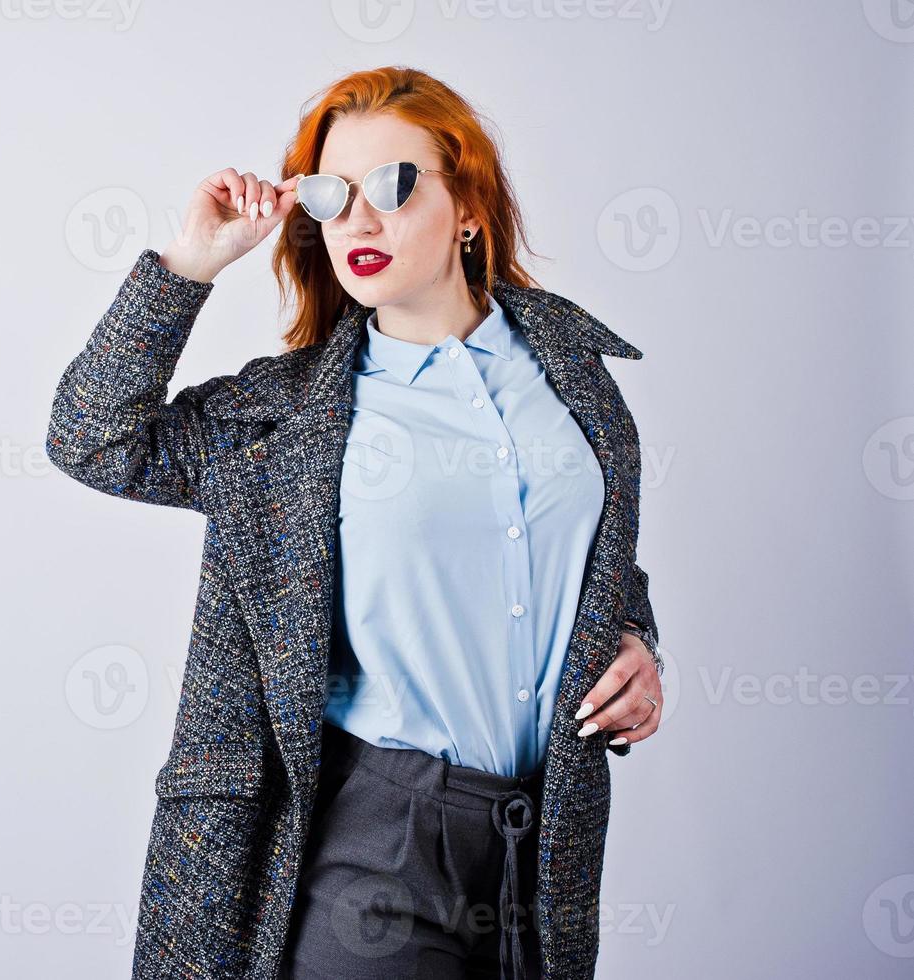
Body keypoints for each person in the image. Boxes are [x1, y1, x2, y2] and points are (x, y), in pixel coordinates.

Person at [46, 65, 665, 980]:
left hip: (539, 844)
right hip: (369, 844)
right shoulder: (285, 422)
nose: (359, 222)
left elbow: (584, 562)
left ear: (469, 207)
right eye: (333, 196)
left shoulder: (573, 378)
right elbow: (90, 439)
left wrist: (636, 642)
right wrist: (191, 263)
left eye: (393, 186)